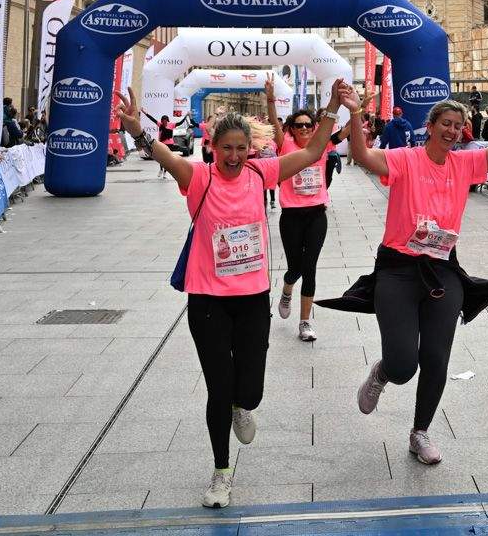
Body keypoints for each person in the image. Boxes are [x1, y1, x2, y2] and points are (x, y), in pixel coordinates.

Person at [114, 82, 348, 510]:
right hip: (207, 302)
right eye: (228, 148)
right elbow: (162, 154)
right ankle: (222, 472)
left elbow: (314, 152)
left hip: (253, 298)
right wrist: (137, 131)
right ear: (213, 148)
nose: (236, 156)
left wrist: (331, 105)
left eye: (242, 147)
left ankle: (245, 404)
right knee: (218, 390)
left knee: (251, 391)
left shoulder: (263, 172)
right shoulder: (197, 177)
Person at [343, 73, 488, 467]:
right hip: (397, 269)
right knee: (403, 364)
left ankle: (420, 432)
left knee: (436, 359)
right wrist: (356, 113)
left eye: (457, 125)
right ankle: (382, 374)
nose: (451, 130)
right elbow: (362, 157)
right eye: (444, 123)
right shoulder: (405, 159)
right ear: (429, 127)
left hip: (443, 270)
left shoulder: (464, 164)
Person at [265, 81, 345, 343]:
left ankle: (305, 322)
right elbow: (276, 127)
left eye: (308, 125)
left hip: (316, 214)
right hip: (291, 217)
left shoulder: (320, 147)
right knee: (294, 268)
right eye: (298, 125)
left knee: (309, 267)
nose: (303, 129)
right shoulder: (285, 146)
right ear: (291, 129)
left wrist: (352, 110)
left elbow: (338, 132)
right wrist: (271, 100)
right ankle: (287, 288)